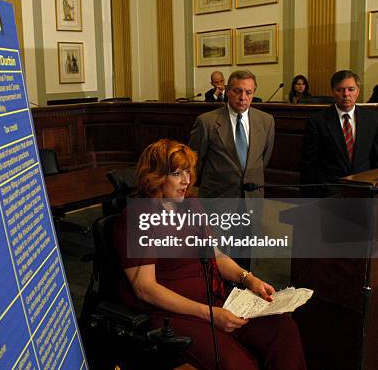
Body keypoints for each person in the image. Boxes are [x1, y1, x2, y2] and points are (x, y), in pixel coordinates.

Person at [113, 139, 306, 370]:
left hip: (215, 299)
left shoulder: (191, 204)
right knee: (239, 365)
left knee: (283, 329)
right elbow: (145, 288)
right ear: (155, 176)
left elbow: (215, 254)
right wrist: (210, 315)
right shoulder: (137, 217)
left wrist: (249, 279)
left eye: (188, 171)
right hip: (173, 313)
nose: (187, 180)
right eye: (177, 173)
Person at [190, 70, 274, 199]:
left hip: (253, 198)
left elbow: (263, 159)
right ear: (228, 91)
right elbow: (194, 163)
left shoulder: (266, 121)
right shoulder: (206, 122)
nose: (243, 97)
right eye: (237, 91)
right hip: (217, 198)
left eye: (248, 92)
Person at [301, 70, 378, 197]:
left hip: (364, 191)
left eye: (351, 89)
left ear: (358, 91)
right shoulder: (317, 121)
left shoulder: (372, 119)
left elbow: (375, 158)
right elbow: (308, 165)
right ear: (333, 92)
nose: (346, 94)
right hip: (329, 193)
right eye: (340, 90)